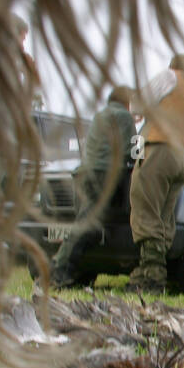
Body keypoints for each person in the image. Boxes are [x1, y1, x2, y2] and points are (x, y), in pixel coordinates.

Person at [128, 53, 184, 291]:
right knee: (164, 217)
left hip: (158, 149)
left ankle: (151, 277)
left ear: (173, 66)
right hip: (182, 160)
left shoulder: (169, 77)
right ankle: (153, 271)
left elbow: (137, 103)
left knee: (145, 210)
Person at [50, 85, 137, 287]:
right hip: (103, 174)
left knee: (88, 223)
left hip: (85, 172)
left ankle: (71, 270)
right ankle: (58, 270)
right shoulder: (124, 117)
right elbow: (133, 150)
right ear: (127, 101)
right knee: (87, 224)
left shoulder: (100, 115)